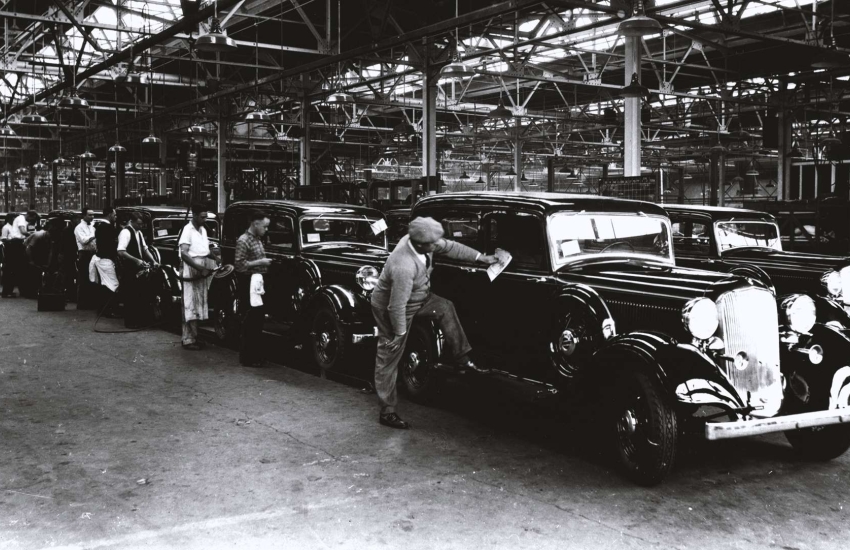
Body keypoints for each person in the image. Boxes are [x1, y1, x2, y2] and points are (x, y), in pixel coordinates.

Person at [370, 216, 499, 429]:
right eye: (432, 244)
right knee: (389, 355)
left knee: (445, 306)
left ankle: (463, 359)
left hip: (419, 297)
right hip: (391, 308)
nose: (436, 245)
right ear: (419, 244)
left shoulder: (424, 242)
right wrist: (399, 334)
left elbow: (450, 247)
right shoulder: (403, 265)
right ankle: (387, 411)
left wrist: (481, 258)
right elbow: (396, 307)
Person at [234, 210, 273, 367]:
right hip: (248, 282)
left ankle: (255, 354)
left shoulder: (257, 239)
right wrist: (260, 263)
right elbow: (239, 265)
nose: (266, 229)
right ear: (255, 224)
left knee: (257, 319)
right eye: (265, 226)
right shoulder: (243, 241)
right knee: (250, 319)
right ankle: (248, 357)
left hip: (257, 283)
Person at [179, 204, 219, 350]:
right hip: (192, 269)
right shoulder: (187, 230)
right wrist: (199, 268)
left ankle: (195, 336)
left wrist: (215, 257)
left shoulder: (203, 230)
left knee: (199, 305)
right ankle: (187, 339)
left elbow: (205, 250)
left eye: (206, 217)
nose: (205, 220)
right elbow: (184, 253)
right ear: (194, 215)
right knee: (189, 304)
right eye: (202, 217)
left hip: (202, 269)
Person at [118, 212, 159, 328]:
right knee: (131, 296)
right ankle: (131, 322)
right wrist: (136, 260)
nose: (141, 226)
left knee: (139, 294)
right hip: (129, 268)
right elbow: (121, 251)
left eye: (142, 224)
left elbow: (145, 249)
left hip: (138, 269)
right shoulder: (126, 232)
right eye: (139, 224)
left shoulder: (139, 233)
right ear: (131, 221)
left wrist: (153, 261)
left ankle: (140, 320)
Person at [91, 207, 120, 315]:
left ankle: (103, 308)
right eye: (114, 215)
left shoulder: (99, 226)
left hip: (101, 258)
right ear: (109, 214)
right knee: (112, 284)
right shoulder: (108, 227)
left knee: (104, 284)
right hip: (106, 259)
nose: (115, 217)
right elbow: (112, 245)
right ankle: (109, 310)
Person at [2, 211, 37, 298]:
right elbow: (22, 231)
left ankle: (14, 290)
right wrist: (32, 234)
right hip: (14, 245)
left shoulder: (17, 223)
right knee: (12, 269)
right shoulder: (18, 221)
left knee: (18, 269)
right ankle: (8, 291)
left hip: (16, 245)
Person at [74, 207, 98, 308]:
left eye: (93, 215)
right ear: (84, 215)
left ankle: (90, 301)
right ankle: (81, 303)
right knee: (83, 277)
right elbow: (84, 241)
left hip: (93, 253)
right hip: (84, 253)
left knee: (92, 276)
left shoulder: (92, 226)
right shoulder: (79, 228)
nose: (92, 217)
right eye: (90, 215)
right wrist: (95, 235)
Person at [61, 213, 80, 301]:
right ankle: (69, 293)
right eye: (77, 219)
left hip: (70, 253)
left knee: (70, 274)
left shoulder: (70, 229)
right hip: (68, 254)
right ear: (73, 220)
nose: (79, 221)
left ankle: (70, 292)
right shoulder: (68, 230)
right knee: (69, 274)